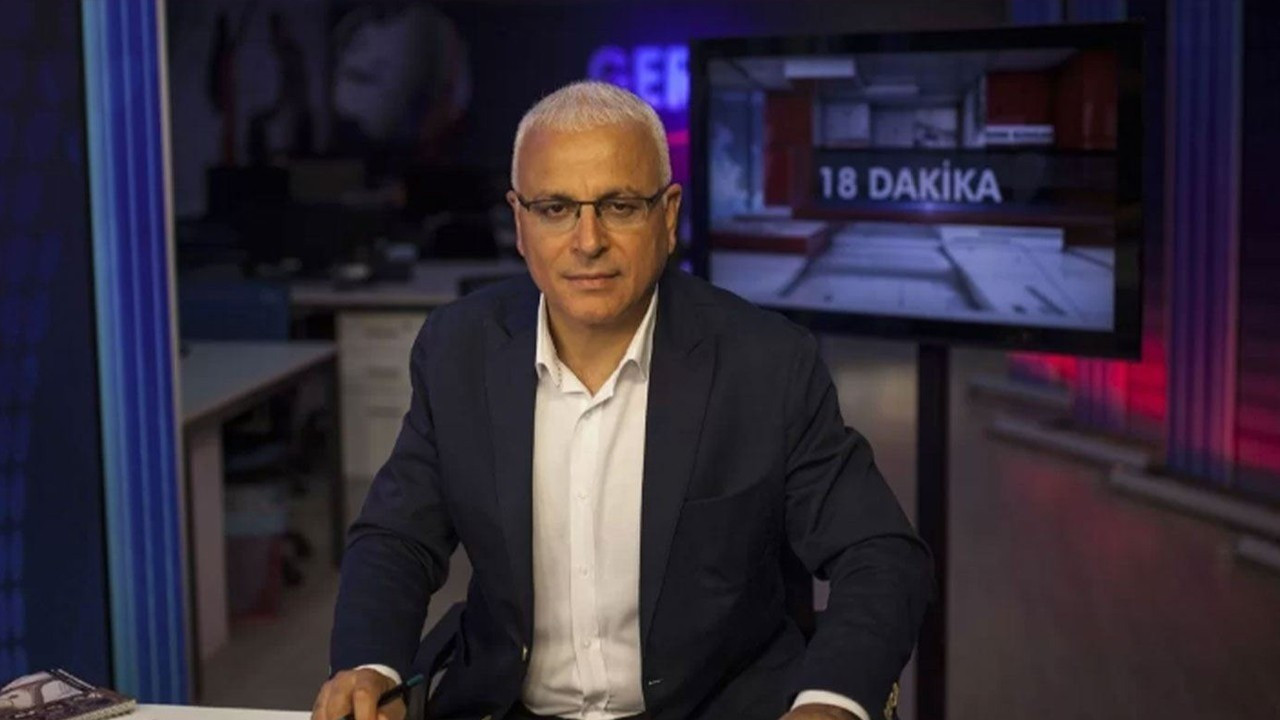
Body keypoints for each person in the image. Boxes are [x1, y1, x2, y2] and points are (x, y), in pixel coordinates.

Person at [314, 81, 933, 720]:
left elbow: (879, 553)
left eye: (619, 206)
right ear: (520, 222)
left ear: (667, 216)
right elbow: (397, 536)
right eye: (555, 208)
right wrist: (370, 665)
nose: (588, 241)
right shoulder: (458, 350)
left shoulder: (767, 362)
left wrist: (829, 702)